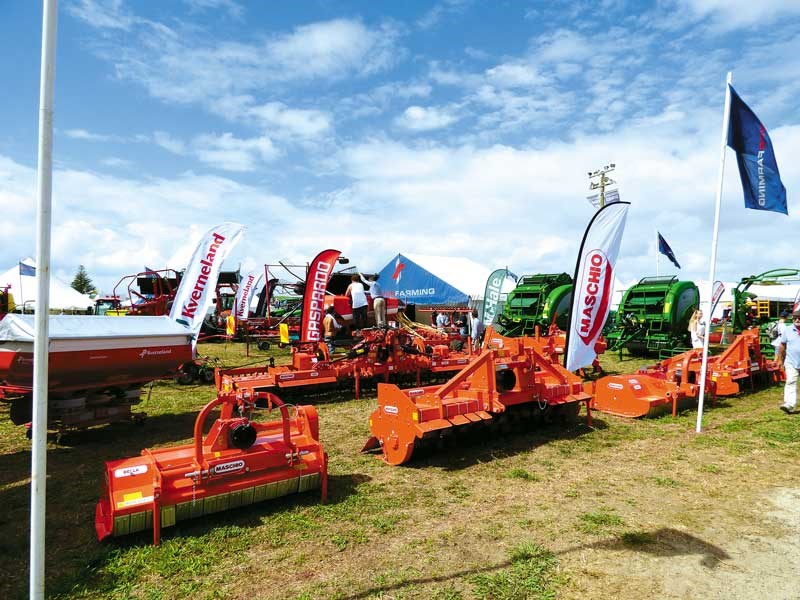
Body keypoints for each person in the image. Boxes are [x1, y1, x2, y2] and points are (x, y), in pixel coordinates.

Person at [776, 309, 800, 414]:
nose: (797, 320)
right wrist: (780, 359)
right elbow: (782, 345)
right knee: (790, 381)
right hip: (791, 361)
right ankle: (789, 405)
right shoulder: (788, 330)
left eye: (799, 318)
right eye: (795, 318)